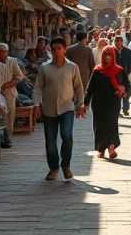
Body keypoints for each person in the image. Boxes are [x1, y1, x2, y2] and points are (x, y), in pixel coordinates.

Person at [32, 37, 85, 181]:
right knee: (50, 141)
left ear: (65, 50)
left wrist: (81, 104)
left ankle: (66, 165)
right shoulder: (44, 68)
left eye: (59, 49)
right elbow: (38, 87)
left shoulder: (72, 67)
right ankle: (54, 168)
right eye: (53, 49)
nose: (56, 52)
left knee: (66, 135)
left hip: (67, 107)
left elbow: (79, 87)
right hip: (48, 109)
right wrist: (36, 105)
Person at [85, 46, 127, 159]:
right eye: (105, 55)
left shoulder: (120, 70)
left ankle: (111, 149)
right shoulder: (97, 70)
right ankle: (101, 149)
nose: (107, 58)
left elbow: (126, 85)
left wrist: (123, 88)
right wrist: (85, 102)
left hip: (113, 103)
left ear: (113, 57)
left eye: (109, 55)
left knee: (112, 124)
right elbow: (90, 87)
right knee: (100, 126)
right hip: (98, 103)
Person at [0, 43, 26, 148]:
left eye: (5, 51)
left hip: (9, 91)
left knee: (10, 114)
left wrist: (9, 84)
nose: (2, 53)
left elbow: (20, 76)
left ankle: (8, 138)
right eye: (0, 51)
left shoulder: (12, 61)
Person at [113, 35, 131, 116]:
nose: (117, 43)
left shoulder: (127, 51)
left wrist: (129, 72)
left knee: (126, 91)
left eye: (119, 41)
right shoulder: (112, 51)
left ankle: (125, 108)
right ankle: (116, 110)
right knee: (116, 92)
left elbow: (130, 63)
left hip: (125, 74)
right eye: (116, 41)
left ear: (122, 42)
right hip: (115, 75)